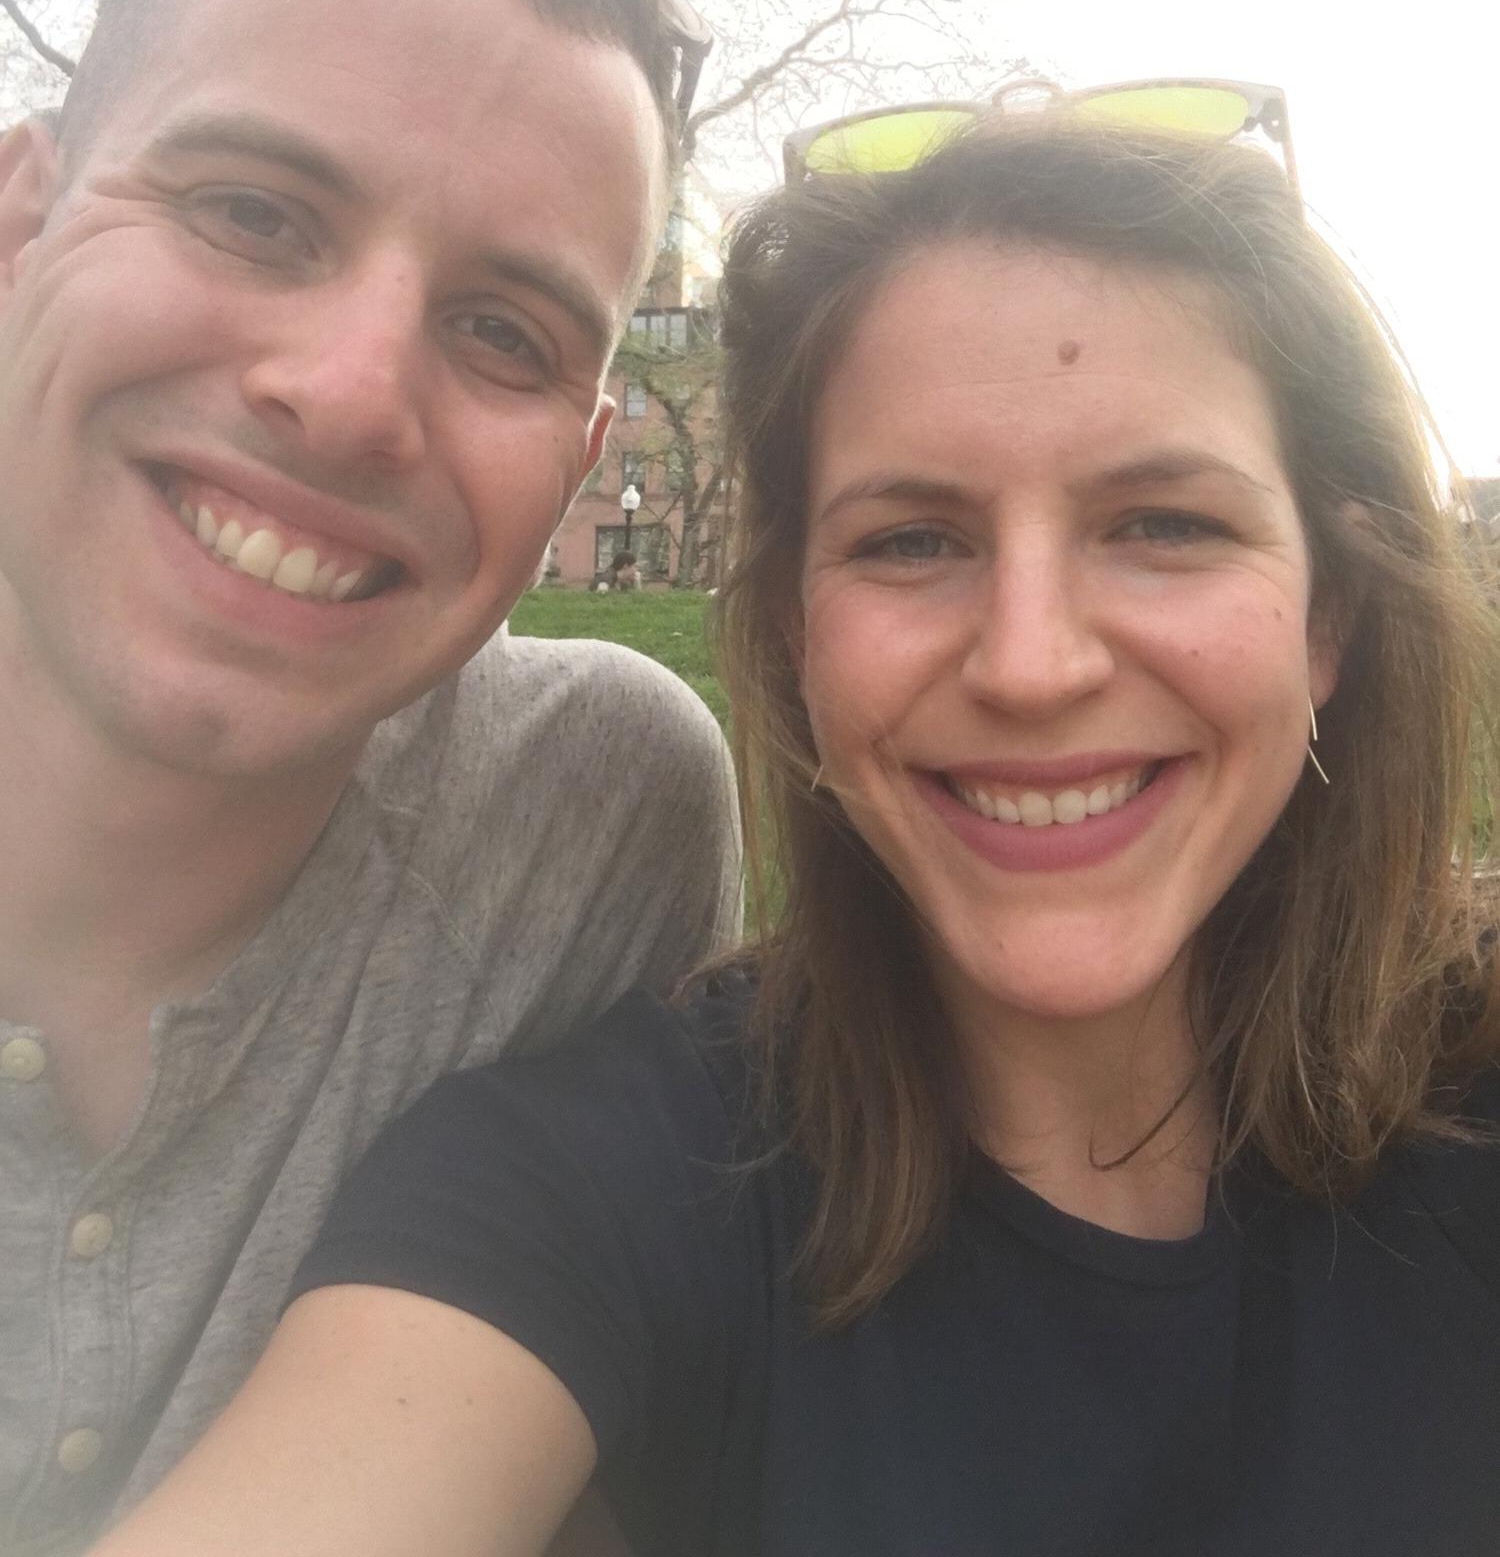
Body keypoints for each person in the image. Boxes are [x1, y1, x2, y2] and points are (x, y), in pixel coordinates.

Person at [92, 109, 1500, 1557]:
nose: (1031, 664)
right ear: (794, 638)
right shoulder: (594, 1186)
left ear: (1328, 616)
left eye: (1164, 524)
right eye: (912, 541)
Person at [0, 0, 740, 1557]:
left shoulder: (593, 814)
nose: (346, 396)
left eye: (502, 332)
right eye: (254, 213)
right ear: (21, 218)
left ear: (578, 462)